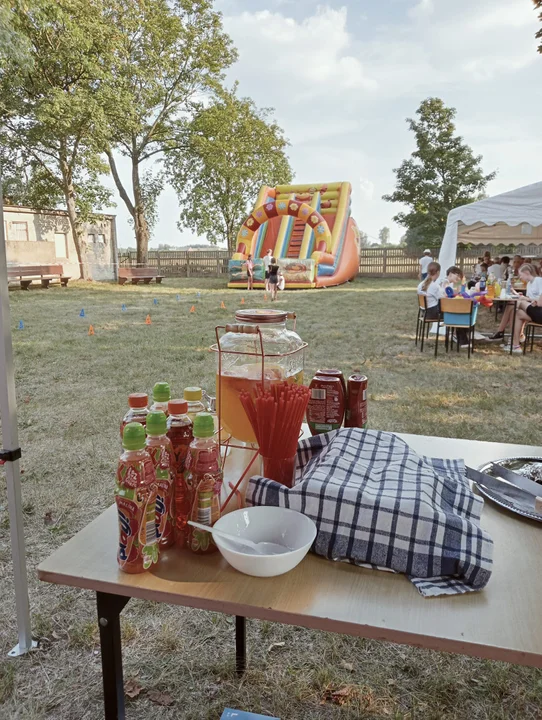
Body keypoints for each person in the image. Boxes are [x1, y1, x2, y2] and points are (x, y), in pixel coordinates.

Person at [488, 263, 542, 353]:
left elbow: (539, 303)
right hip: (535, 312)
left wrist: (526, 299)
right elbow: (530, 302)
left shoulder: (539, 281)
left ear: (527, 272)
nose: (520, 277)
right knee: (517, 313)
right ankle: (515, 344)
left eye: (521, 275)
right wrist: (519, 295)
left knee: (514, 302)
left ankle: (500, 331)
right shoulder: (529, 284)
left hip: (540, 311)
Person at [441, 265, 471, 347]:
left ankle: (459, 336)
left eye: (459, 276)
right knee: (461, 314)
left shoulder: (450, 283)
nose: (458, 278)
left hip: (447, 308)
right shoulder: (445, 282)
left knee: (462, 312)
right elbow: (447, 293)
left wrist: (459, 287)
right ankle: (462, 339)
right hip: (444, 310)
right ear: (450, 273)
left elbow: (456, 292)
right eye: (457, 275)